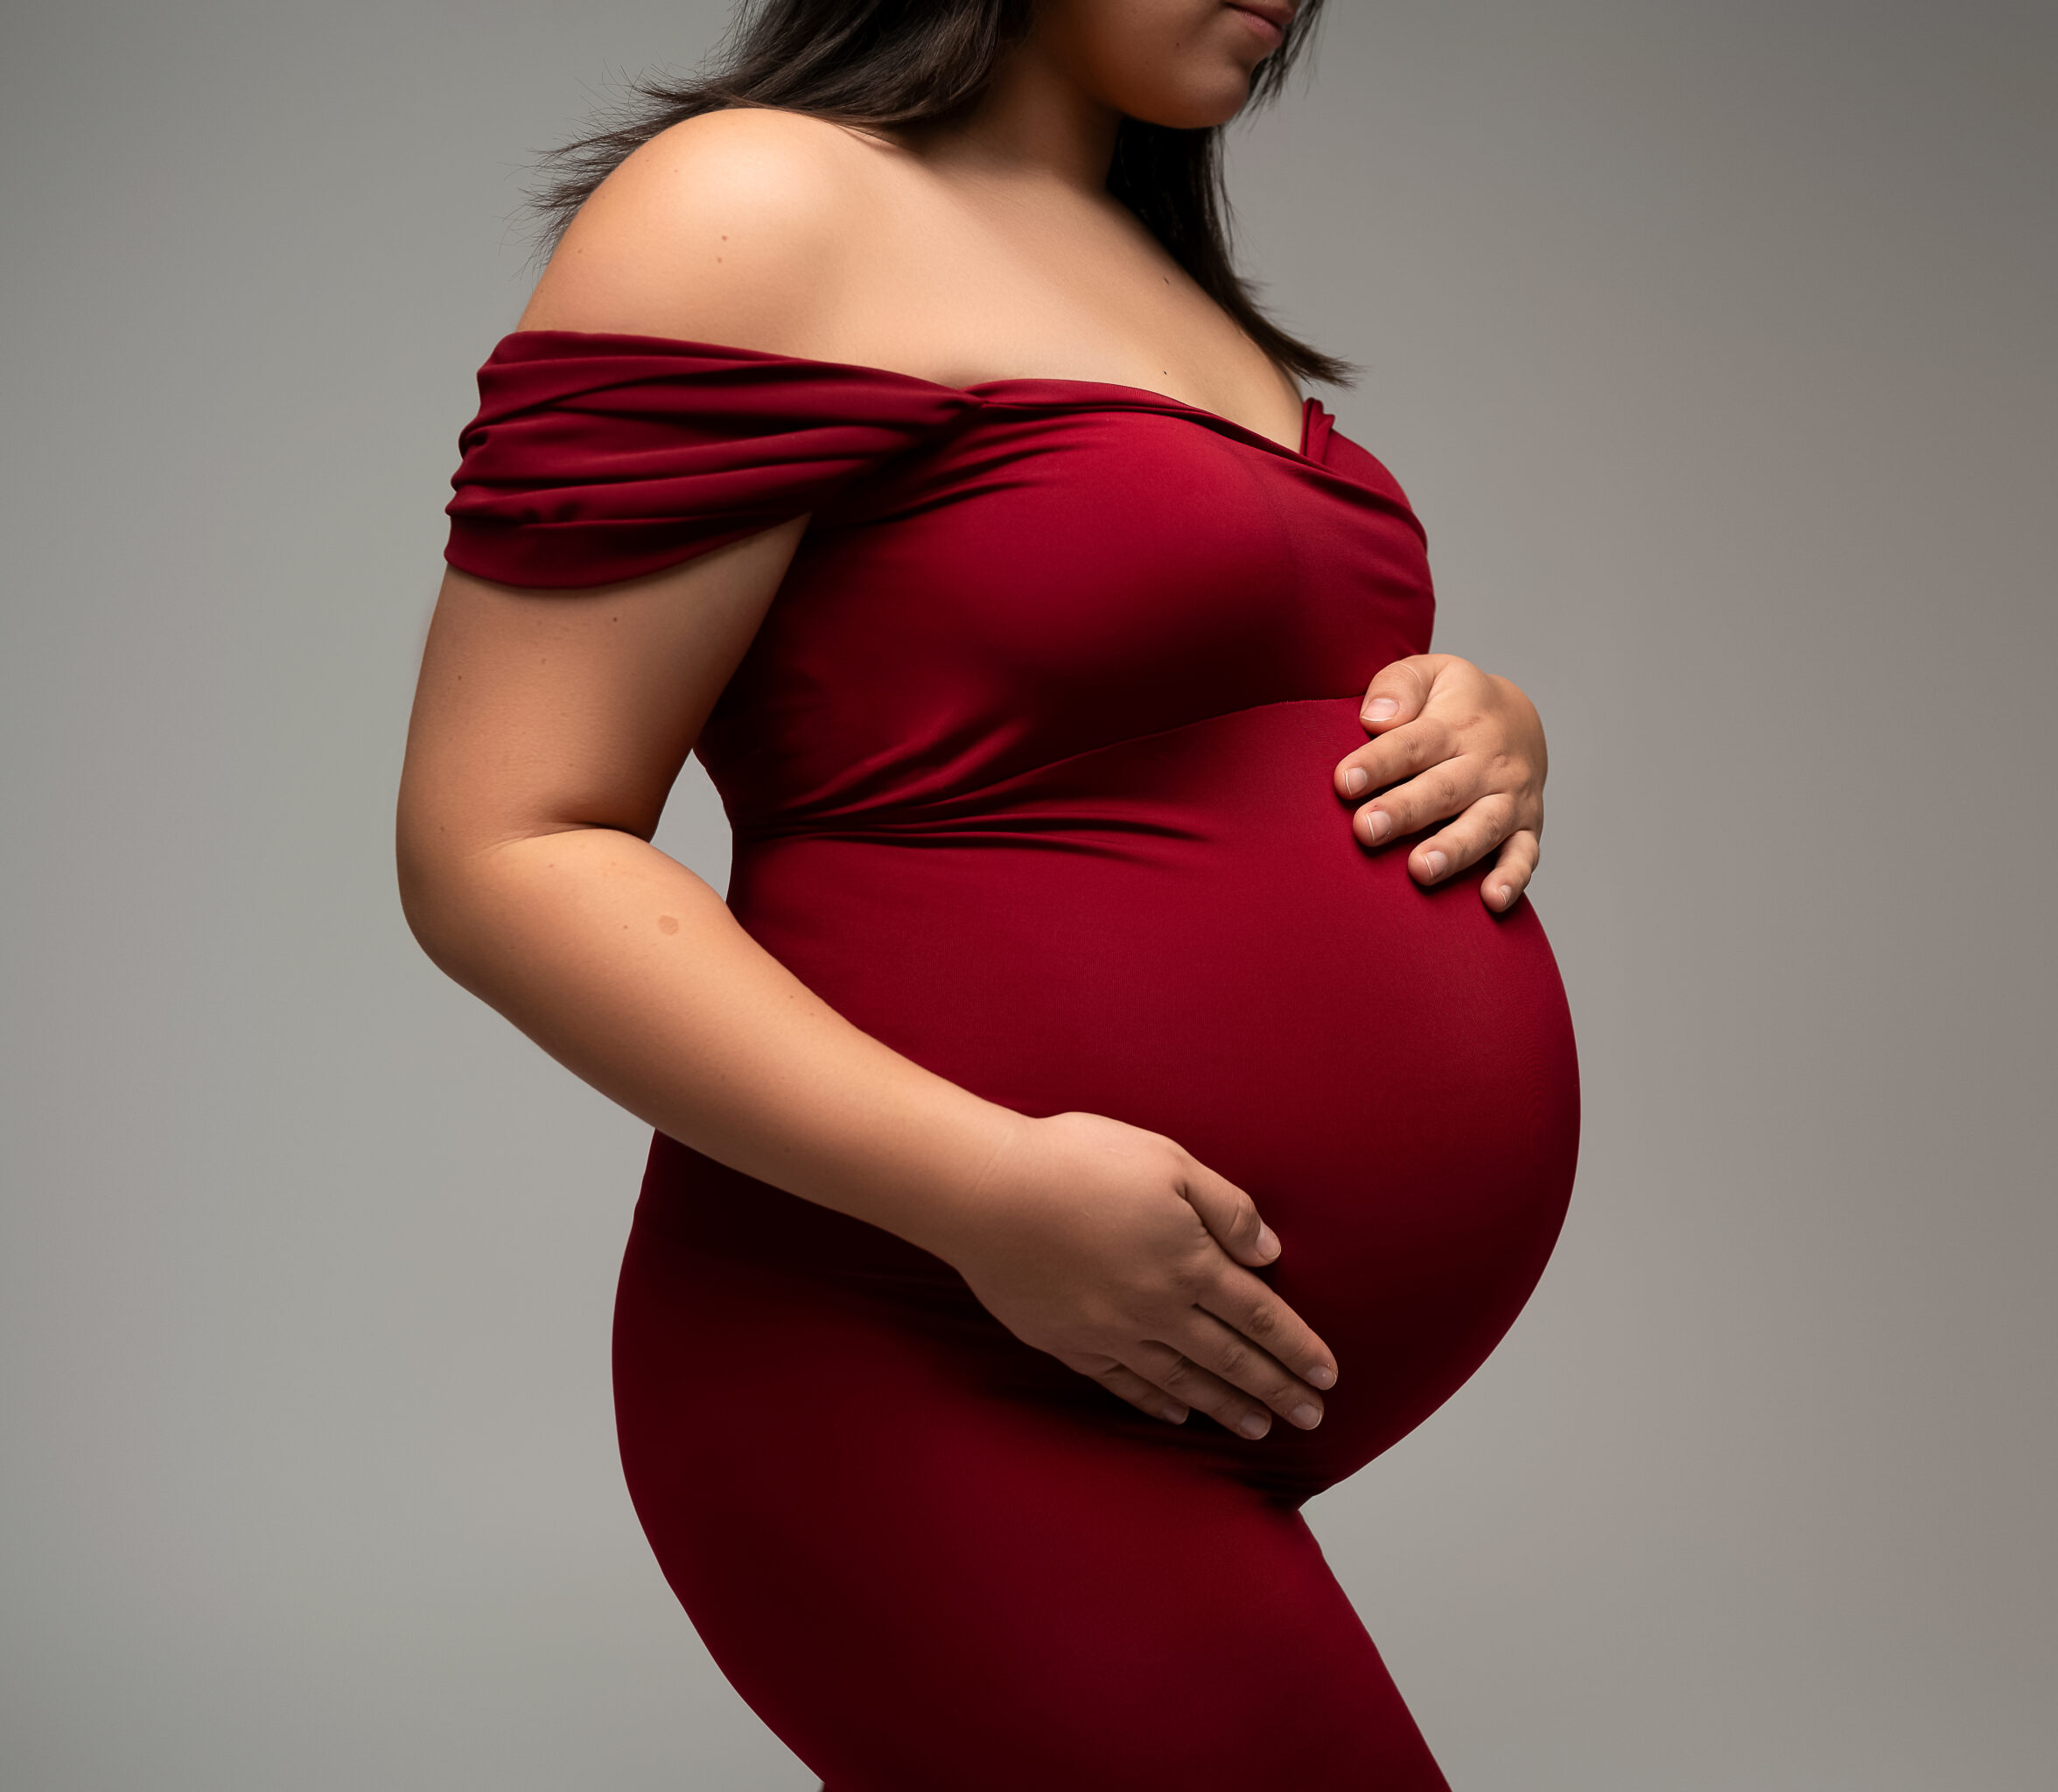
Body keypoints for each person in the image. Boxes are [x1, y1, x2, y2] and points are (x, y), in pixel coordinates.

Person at [396, 2, 1578, 1785]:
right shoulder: (755, 200)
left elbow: (1172, 692)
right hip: (915, 1350)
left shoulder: (1165, 280)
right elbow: (498, 845)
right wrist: (983, 1188)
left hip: (1156, 1377)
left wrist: (1485, 721)